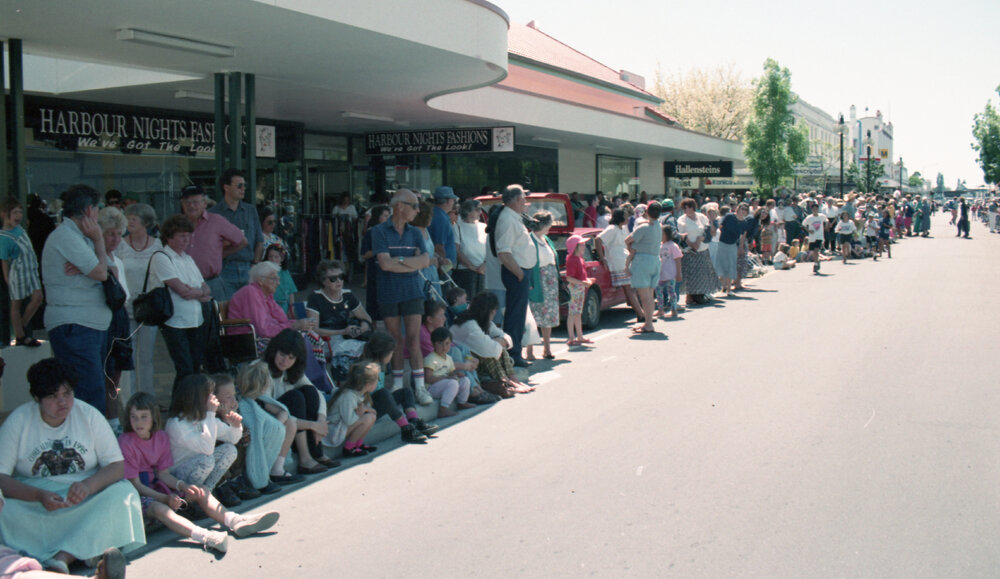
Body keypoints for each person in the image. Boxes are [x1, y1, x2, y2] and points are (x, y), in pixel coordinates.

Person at [0, 358, 144, 573]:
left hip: (85, 498)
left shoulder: (89, 416)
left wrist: (88, 485)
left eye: (67, 393)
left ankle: (63, 557)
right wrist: (39, 495)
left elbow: (116, 465)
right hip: (35, 500)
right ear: (37, 398)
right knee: (6, 508)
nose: (62, 402)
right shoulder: (18, 421)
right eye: (52, 396)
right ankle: (86, 549)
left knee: (123, 493)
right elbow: (1, 478)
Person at [118, 392, 279, 553]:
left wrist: (183, 486)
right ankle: (205, 536)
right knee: (160, 508)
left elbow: (163, 474)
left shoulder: (160, 437)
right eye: (134, 417)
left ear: (153, 417)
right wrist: (165, 498)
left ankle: (235, 520)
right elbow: (136, 485)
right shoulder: (126, 442)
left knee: (200, 490)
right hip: (138, 496)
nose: (138, 422)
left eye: (143, 416)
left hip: (158, 488)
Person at [41, 184, 112, 413]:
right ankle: (90, 445)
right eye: (98, 208)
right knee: (89, 392)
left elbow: (110, 271)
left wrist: (92, 265)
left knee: (93, 388)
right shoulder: (66, 236)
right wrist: (99, 243)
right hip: (75, 326)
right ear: (90, 210)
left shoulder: (83, 237)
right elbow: (101, 273)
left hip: (91, 324)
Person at [371, 189, 433, 405]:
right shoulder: (378, 231)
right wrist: (409, 262)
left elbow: (425, 261)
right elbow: (384, 264)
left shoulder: (415, 232)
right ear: (400, 206)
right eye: (414, 205)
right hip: (388, 292)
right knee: (395, 339)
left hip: (412, 291)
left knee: (414, 339)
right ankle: (398, 385)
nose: (418, 210)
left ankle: (420, 387)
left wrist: (397, 261)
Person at [337, 331, 434, 448]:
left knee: (406, 392)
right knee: (384, 394)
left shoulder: (381, 366)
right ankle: (405, 428)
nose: (392, 356)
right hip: (365, 407)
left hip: (376, 401)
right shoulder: (367, 368)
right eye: (391, 353)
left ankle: (413, 421)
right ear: (383, 353)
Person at [151, 215, 213, 391]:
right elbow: (181, 290)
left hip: (196, 319)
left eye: (188, 235)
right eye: (182, 236)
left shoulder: (188, 259)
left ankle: (190, 405)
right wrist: (199, 293)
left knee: (195, 367)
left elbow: (206, 288)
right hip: (175, 320)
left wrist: (197, 292)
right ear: (169, 237)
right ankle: (178, 409)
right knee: (184, 367)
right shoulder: (162, 257)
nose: (187, 240)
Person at [261, 330, 336, 474]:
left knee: (309, 392)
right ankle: (305, 458)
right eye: (282, 355)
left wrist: (321, 421)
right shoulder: (261, 369)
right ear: (274, 351)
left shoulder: (292, 371)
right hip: (277, 425)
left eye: (291, 358)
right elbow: (267, 407)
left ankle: (316, 453)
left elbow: (317, 394)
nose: (285, 361)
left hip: (295, 424)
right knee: (295, 397)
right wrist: (313, 425)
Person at [165, 374, 243, 494]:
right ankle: (188, 497)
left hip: (199, 464)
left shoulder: (204, 417)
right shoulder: (177, 424)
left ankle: (206, 493)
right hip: (177, 474)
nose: (214, 398)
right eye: (209, 394)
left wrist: (235, 425)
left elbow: (233, 439)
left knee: (230, 450)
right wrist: (211, 414)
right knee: (206, 460)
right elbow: (207, 449)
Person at [116, 203, 162, 396]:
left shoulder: (157, 246)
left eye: (134, 218)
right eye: (128, 218)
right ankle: (128, 402)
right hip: (125, 308)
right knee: (128, 357)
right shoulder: (120, 245)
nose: (130, 221)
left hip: (148, 309)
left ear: (145, 222)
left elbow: (159, 277)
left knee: (146, 358)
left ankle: (147, 400)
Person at [235, 362, 304, 487]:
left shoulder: (260, 401)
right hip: (252, 441)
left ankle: (277, 469)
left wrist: (277, 423)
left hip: (269, 434)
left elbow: (282, 412)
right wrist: (276, 426)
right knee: (280, 426)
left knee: (291, 422)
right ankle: (263, 474)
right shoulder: (245, 406)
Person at [450, 292, 533, 397]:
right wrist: (499, 342)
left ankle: (512, 379)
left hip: (475, 361)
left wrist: (498, 341)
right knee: (493, 351)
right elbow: (490, 351)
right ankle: (507, 380)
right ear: (490, 311)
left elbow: (507, 338)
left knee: (497, 346)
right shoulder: (469, 325)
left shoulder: (483, 322)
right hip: (464, 361)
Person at [493, 185, 537, 367]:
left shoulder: (513, 217)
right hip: (516, 272)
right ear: (517, 199)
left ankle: (515, 352)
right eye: (523, 199)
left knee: (518, 315)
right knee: (515, 315)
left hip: (520, 271)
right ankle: (513, 354)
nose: (525, 203)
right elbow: (503, 252)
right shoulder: (507, 219)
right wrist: (519, 274)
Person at [227, 261, 317, 350]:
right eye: (274, 279)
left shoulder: (267, 295)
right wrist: (294, 325)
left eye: (278, 279)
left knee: (311, 336)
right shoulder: (251, 292)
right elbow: (263, 330)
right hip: (247, 341)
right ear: (260, 281)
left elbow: (282, 320)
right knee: (298, 342)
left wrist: (300, 324)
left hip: (262, 337)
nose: (278, 283)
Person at [179, 184, 246, 301]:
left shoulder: (216, 221)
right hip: (184, 286)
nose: (191, 206)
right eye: (187, 202)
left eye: (195, 202)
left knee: (216, 318)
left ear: (204, 204)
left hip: (212, 283)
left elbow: (242, 241)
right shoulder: (176, 224)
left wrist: (219, 254)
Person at [98, 207, 133, 419]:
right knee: (103, 376)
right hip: (103, 323)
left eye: (119, 234)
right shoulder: (96, 261)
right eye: (111, 233)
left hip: (120, 322)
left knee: (115, 378)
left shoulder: (118, 261)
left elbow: (124, 295)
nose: (115, 238)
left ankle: (113, 420)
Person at [209, 168, 264, 301]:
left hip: (247, 267)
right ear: (226, 187)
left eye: (244, 185)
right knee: (227, 311)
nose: (243, 189)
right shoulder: (213, 214)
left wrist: (255, 264)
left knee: (250, 309)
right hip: (224, 269)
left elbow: (259, 240)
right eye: (239, 185)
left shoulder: (250, 211)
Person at [0, 197, 43, 347]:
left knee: (38, 297)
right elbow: (4, 260)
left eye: (20, 212)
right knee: (16, 305)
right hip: (18, 272)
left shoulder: (19, 229)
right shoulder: (4, 237)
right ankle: (20, 335)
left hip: (30, 269)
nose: (18, 216)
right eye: (15, 212)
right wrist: (7, 279)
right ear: (5, 214)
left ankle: (22, 326)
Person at [595, 209, 641, 321]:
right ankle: (641, 313)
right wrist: (602, 258)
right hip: (618, 262)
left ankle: (639, 311)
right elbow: (598, 239)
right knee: (629, 289)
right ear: (620, 217)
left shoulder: (622, 229)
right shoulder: (612, 229)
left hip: (624, 260)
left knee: (631, 288)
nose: (628, 218)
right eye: (626, 215)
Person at [326, 361, 379, 458]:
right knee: (367, 418)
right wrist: (361, 413)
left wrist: (366, 409)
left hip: (342, 427)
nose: (377, 383)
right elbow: (349, 420)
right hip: (334, 430)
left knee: (371, 416)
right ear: (367, 384)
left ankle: (358, 444)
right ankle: (349, 448)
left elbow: (374, 412)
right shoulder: (348, 396)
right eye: (376, 380)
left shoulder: (362, 394)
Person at [625, 202, 662, 333]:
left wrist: (631, 250)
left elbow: (627, 240)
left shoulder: (644, 227)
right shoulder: (659, 226)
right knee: (650, 295)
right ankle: (648, 322)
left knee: (644, 296)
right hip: (655, 260)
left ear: (647, 212)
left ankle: (648, 324)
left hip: (642, 261)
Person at [526, 212, 559, 361]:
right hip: (537, 280)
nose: (551, 226)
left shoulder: (545, 239)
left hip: (550, 281)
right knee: (533, 315)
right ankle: (530, 351)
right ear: (544, 224)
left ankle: (547, 348)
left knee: (548, 315)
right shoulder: (529, 239)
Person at [676, 197, 720, 306]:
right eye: (684, 208)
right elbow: (681, 235)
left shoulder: (701, 217)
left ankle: (701, 294)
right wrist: (692, 244)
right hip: (689, 250)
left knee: (702, 274)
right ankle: (690, 297)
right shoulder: (682, 219)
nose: (686, 210)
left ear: (693, 207)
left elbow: (708, 230)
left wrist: (700, 239)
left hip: (702, 248)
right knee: (691, 275)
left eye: (688, 207)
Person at [424, 327, 474, 418]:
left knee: (465, 380)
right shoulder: (430, 358)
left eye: (447, 343)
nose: (444, 347)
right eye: (440, 343)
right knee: (453, 383)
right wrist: (447, 378)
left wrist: (456, 375)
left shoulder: (449, 358)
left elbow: (451, 373)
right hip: (432, 388)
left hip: (446, 384)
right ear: (433, 343)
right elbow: (428, 378)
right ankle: (443, 409)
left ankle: (462, 402)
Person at [359, 204, 390, 321]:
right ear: (378, 217)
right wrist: (379, 250)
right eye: (385, 216)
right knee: (373, 302)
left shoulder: (391, 232)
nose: (388, 218)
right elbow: (364, 254)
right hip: (375, 273)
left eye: (389, 216)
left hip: (388, 272)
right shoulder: (371, 232)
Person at [452, 199, 487, 299]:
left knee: (481, 303)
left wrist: (484, 264)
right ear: (467, 211)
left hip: (482, 271)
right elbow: (457, 250)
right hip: (464, 272)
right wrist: (470, 266)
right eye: (477, 209)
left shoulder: (484, 227)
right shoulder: (457, 227)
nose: (480, 212)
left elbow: (490, 249)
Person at [655, 225, 683, 319]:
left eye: (662, 233)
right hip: (661, 274)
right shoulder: (660, 245)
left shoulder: (673, 246)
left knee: (671, 292)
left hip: (671, 274)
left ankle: (674, 309)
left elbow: (678, 259)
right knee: (658, 291)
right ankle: (660, 309)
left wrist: (678, 273)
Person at [429, 186, 458, 276]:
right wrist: (443, 265)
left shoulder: (436, 213)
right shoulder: (440, 217)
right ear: (449, 200)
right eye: (453, 200)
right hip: (443, 266)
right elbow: (439, 245)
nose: (453, 203)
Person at [264, 243, 298, 315]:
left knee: (301, 312)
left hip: (284, 306)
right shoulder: (263, 272)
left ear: (282, 258)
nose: (273, 259)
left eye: (276, 257)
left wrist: (292, 307)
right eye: (270, 256)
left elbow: (291, 292)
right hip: (269, 306)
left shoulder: (285, 272)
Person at [801, 202, 828, 274]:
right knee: (813, 251)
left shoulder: (821, 216)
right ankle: (817, 260)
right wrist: (808, 230)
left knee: (816, 250)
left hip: (819, 236)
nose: (815, 210)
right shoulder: (809, 217)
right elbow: (803, 225)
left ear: (818, 209)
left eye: (816, 209)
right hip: (812, 237)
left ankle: (815, 264)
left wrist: (826, 225)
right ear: (811, 210)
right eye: (813, 209)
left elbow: (826, 220)